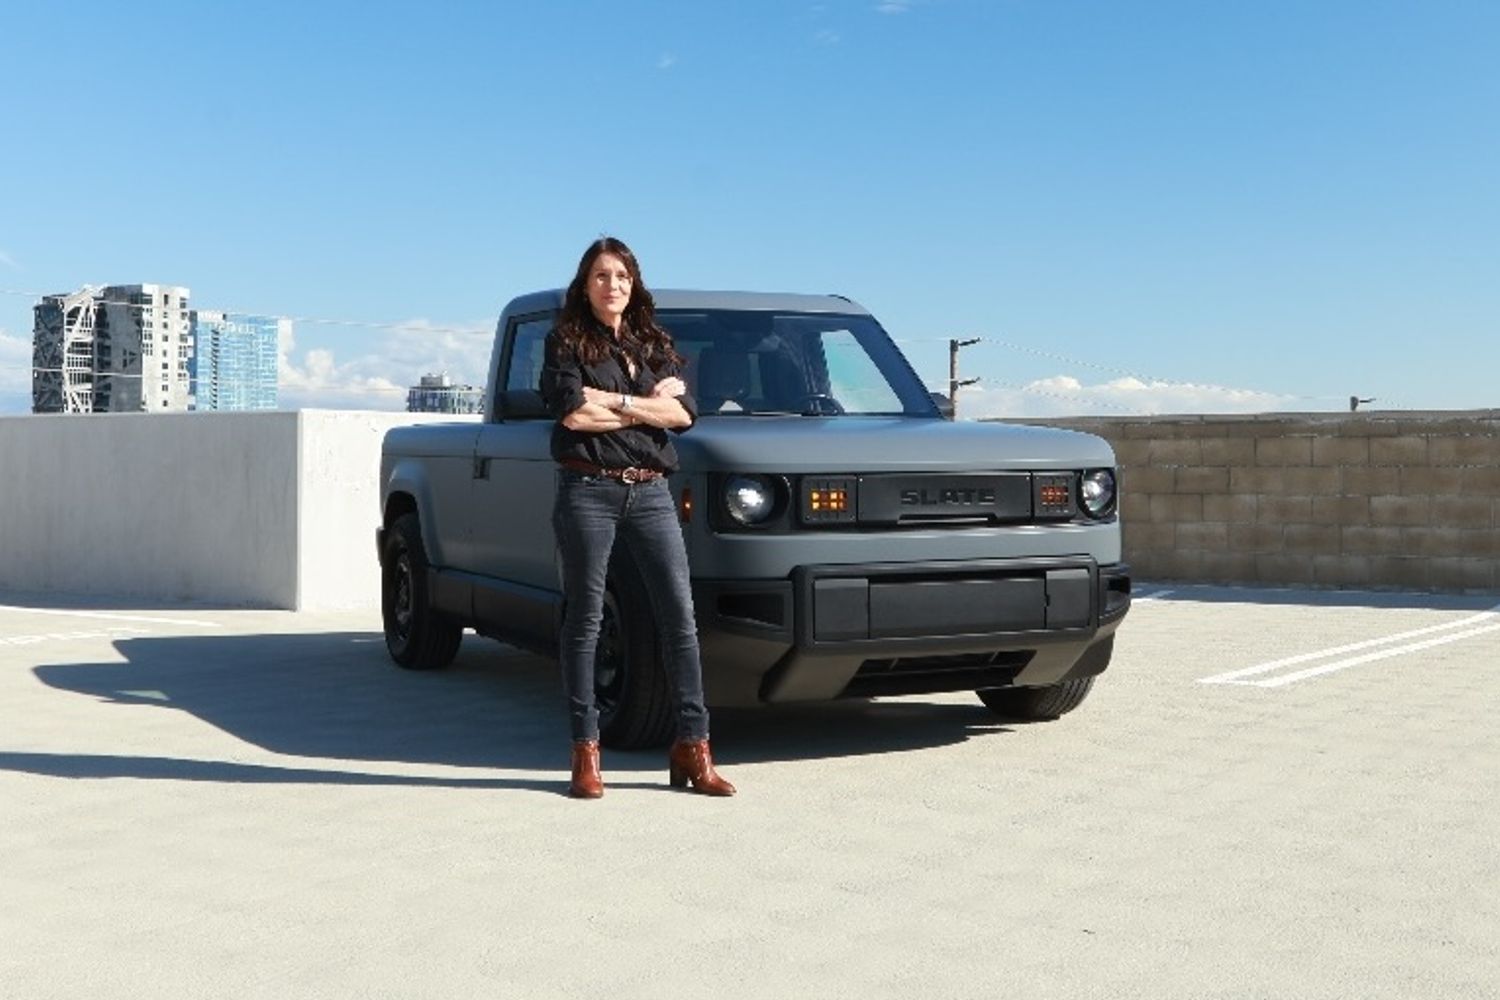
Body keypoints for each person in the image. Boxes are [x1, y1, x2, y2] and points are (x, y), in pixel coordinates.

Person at [539, 236, 736, 799]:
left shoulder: (653, 342)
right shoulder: (565, 341)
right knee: (585, 621)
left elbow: (683, 414)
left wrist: (617, 402)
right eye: (602, 276)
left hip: (651, 493)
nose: (612, 286)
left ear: (634, 282)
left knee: (680, 618)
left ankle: (693, 748)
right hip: (588, 490)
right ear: (585, 283)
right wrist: (645, 407)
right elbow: (573, 415)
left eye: (621, 276)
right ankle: (585, 754)